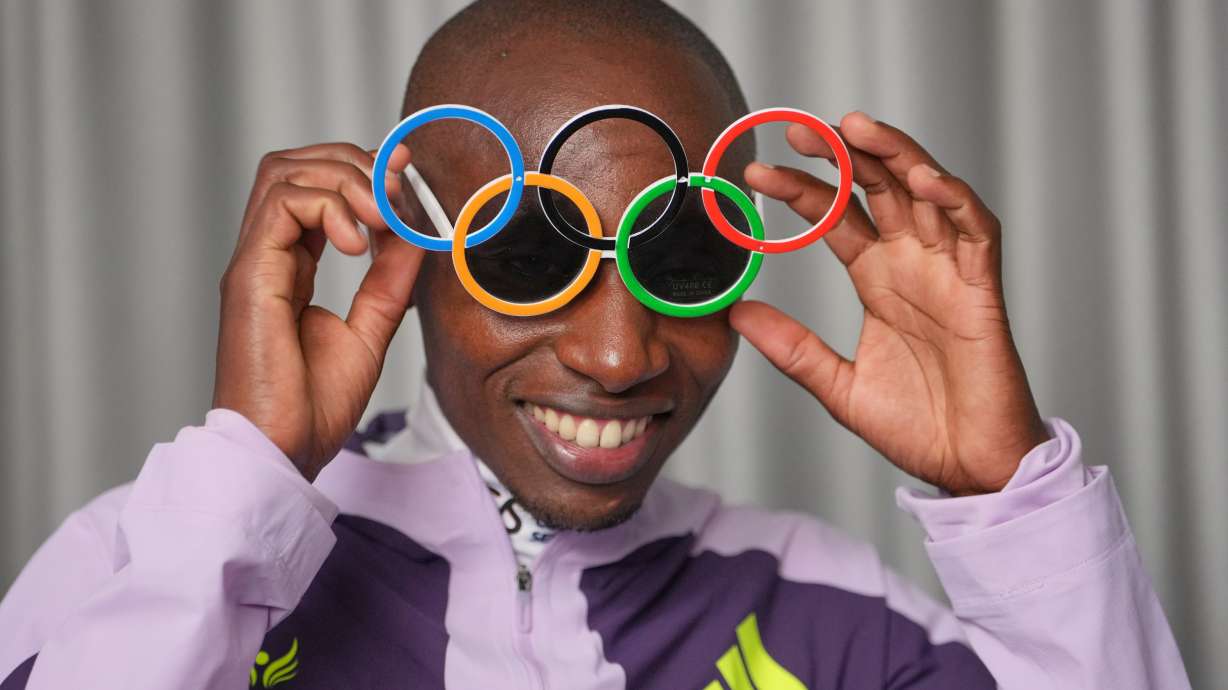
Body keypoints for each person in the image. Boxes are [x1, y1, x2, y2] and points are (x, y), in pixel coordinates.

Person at [0, 1, 1191, 688]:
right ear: (405, 251)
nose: (623, 356)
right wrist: (244, 480)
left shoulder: (828, 617)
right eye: (527, 256)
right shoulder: (143, 561)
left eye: (681, 260)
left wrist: (1007, 492)